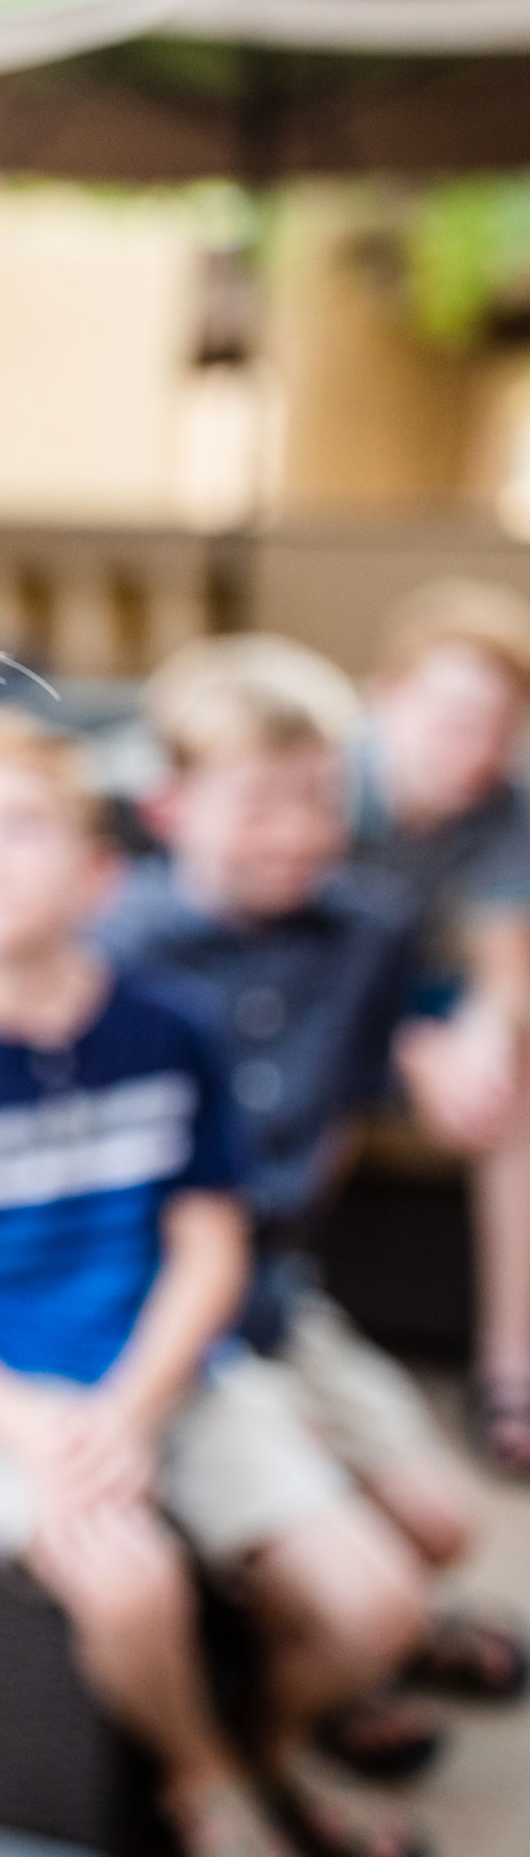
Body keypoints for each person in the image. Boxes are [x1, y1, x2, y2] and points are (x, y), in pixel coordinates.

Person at [0, 709, 430, 1857]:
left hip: (178, 1374)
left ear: (102, 874)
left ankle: (271, 1751)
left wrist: (132, 1407)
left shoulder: (170, 1034)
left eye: (22, 826)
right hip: (11, 1401)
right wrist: (38, 1430)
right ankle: (204, 1776)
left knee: (377, 1608)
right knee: (130, 1582)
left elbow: (209, 1245)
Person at [102, 635, 518, 1777]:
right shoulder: (113, 953)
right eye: (259, 805)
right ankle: (283, 1730)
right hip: (164, 1309)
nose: (296, 834)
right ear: (171, 806)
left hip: (282, 1288)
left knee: (448, 1524)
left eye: (322, 801)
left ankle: (329, 1626)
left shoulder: (369, 929)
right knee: (371, 1593)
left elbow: (362, 1084)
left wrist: (440, 1045)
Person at [351, 580, 530, 1477]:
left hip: (414, 997)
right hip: (308, 1002)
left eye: (500, 726)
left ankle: (511, 1370)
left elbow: (503, 964)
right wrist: (409, 1052)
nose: (478, 747)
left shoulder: (503, 803)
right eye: (456, 717)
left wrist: (482, 1040)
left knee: (518, 1085)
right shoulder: (325, 784)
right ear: (388, 698)